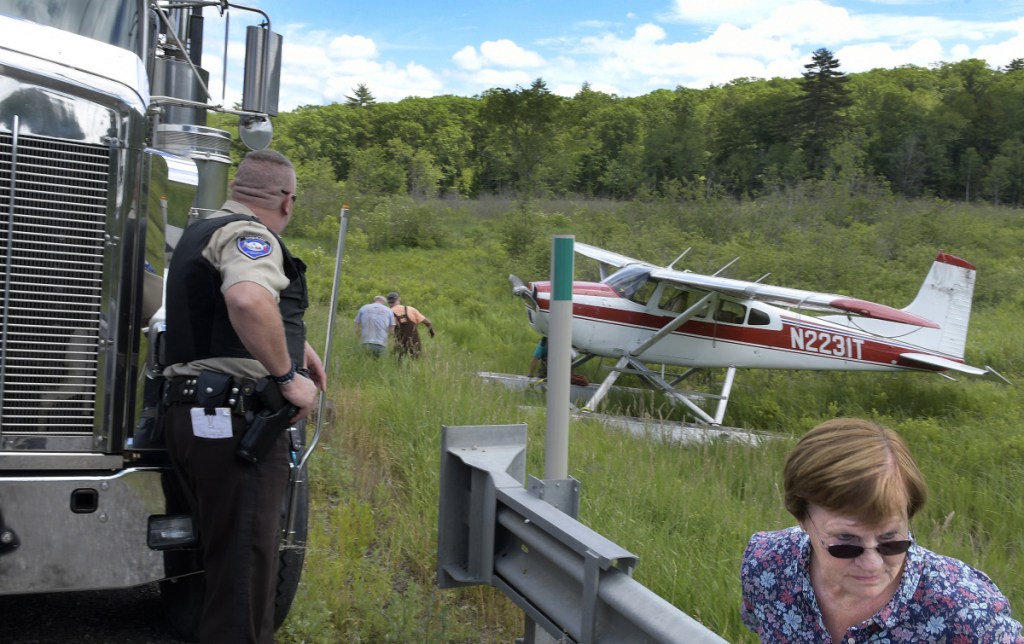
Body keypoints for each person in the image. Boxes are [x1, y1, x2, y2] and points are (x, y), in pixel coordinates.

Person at [161, 149, 326, 643]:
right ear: (287, 201)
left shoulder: (202, 229)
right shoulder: (250, 235)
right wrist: (287, 376)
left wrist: (299, 346)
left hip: (192, 414)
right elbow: (248, 297)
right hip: (236, 422)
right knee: (243, 576)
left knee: (218, 560)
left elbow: (216, 302)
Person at [740, 418, 1023, 643]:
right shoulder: (766, 566)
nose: (872, 563)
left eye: (891, 540)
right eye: (846, 541)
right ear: (802, 518)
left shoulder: (966, 612)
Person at [387, 291, 434, 358]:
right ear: (398, 299)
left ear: (388, 302)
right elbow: (428, 322)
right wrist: (431, 331)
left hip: (400, 347)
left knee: (398, 365)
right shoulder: (410, 309)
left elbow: (390, 332)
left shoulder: (388, 312)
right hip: (415, 346)